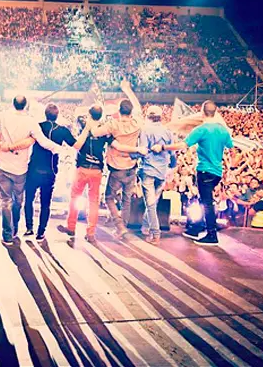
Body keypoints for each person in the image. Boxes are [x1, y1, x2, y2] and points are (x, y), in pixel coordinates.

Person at [0, 95, 62, 245]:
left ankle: (7, 235)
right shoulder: (30, 122)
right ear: (26, 105)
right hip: (21, 169)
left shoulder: (3, 116)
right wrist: (58, 148)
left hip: (3, 165)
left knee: (5, 202)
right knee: (18, 201)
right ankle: (14, 228)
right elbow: (43, 141)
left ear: (13, 103)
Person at [152, 100, 233, 246]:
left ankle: (211, 235)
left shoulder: (201, 129)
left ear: (201, 112)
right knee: (203, 201)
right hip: (217, 172)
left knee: (207, 203)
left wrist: (163, 147)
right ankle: (195, 228)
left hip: (205, 170)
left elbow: (182, 145)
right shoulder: (223, 130)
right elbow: (230, 146)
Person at [24, 103, 91, 241]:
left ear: (45, 114)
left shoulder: (38, 126)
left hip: (33, 169)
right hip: (50, 171)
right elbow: (77, 145)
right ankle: (40, 232)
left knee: (29, 199)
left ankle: (29, 227)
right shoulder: (63, 131)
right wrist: (87, 130)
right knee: (45, 203)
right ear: (57, 115)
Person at [90, 80, 142, 240]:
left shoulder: (113, 125)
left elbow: (95, 132)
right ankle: (122, 229)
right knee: (126, 199)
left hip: (117, 168)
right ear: (130, 112)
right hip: (131, 167)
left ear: (119, 112)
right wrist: (127, 89)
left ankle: (119, 225)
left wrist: (92, 120)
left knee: (109, 198)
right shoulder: (137, 122)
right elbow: (137, 106)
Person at [59, 105, 113, 243]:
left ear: (89, 115)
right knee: (93, 202)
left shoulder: (84, 126)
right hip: (97, 170)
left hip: (82, 168)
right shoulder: (105, 128)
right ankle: (90, 233)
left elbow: (77, 145)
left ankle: (71, 227)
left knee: (75, 197)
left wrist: (88, 127)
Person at [137, 105, 177, 244]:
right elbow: (172, 153)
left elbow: (142, 150)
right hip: (162, 172)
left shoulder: (145, 130)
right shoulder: (168, 132)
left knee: (150, 204)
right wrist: (172, 167)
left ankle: (155, 233)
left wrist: (130, 154)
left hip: (148, 170)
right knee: (153, 202)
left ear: (148, 117)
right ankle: (145, 226)